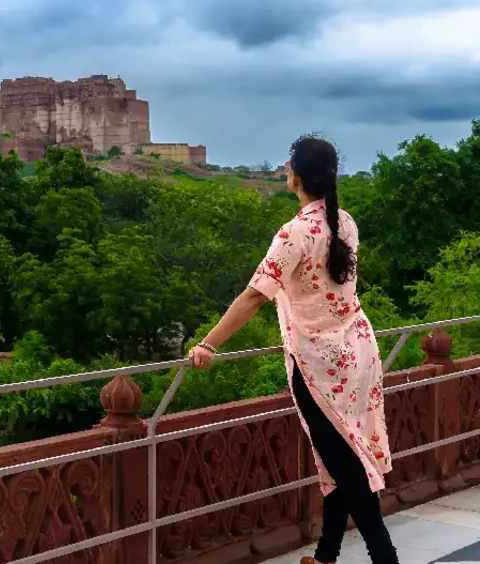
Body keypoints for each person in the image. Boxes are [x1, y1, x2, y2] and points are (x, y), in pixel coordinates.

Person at [188, 134, 398, 564]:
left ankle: (387, 558)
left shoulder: (295, 233)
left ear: (295, 177)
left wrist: (209, 343)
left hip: (320, 364)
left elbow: (253, 296)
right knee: (342, 454)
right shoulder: (346, 222)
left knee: (347, 467)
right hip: (358, 352)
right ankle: (325, 556)